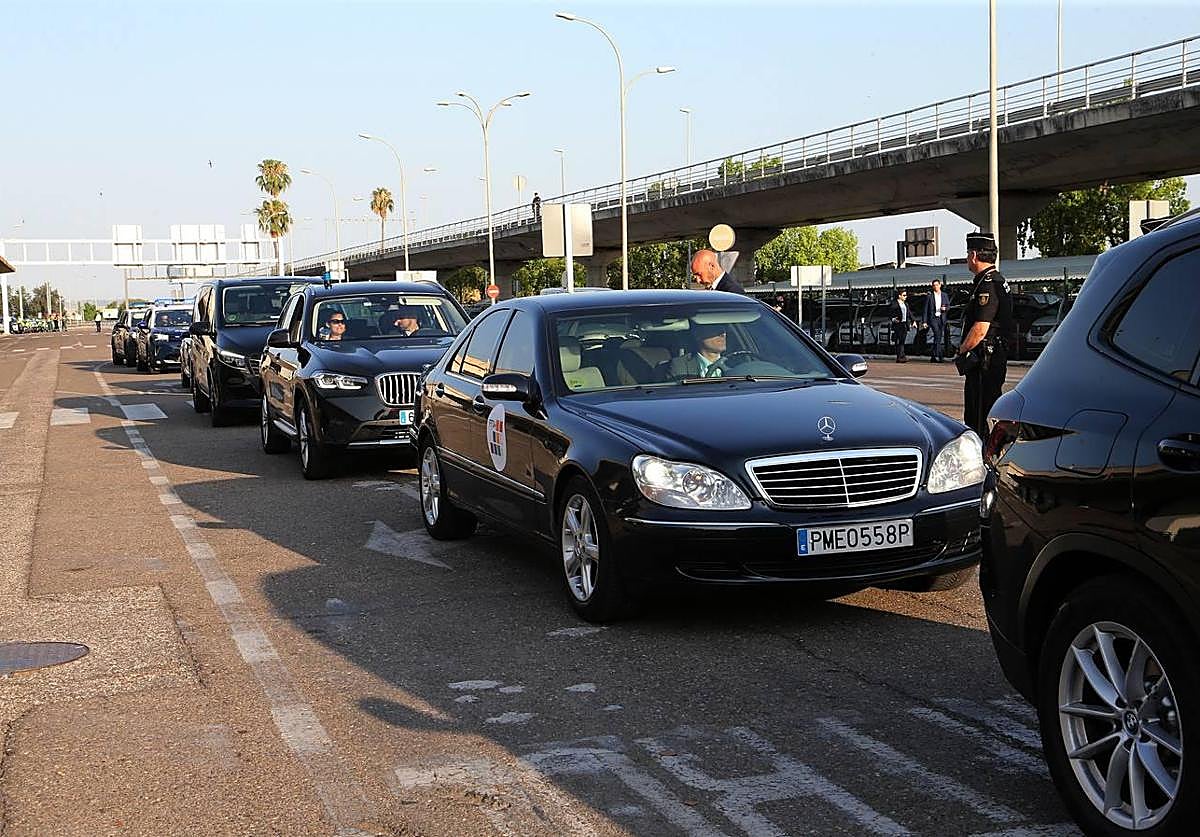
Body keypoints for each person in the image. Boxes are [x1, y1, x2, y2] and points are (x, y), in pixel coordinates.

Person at [956, 231, 1014, 438]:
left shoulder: (987, 284)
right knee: (987, 409)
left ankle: (984, 459)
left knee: (977, 414)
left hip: (984, 360)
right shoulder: (993, 280)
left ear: (973, 255)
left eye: (967, 254)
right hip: (991, 357)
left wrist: (961, 349)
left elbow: (980, 328)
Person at [922, 279, 950, 363]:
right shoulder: (929, 296)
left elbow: (949, 306)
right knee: (937, 334)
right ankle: (939, 356)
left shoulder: (944, 295)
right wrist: (924, 321)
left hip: (942, 318)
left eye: (937, 285)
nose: (935, 287)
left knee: (938, 337)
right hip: (933, 318)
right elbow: (925, 310)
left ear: (940, 285)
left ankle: (933, 356)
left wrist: (945, 309)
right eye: (933, 285)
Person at [889, 290, 914, 363]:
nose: (905, 297)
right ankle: (900, 356)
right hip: (898, 324)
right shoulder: (894, 304)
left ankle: (901, 356)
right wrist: (893, 319)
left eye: (906, 295)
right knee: (899, 340)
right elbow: (890, 313)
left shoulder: (906, 304)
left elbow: (909, 313)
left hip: (904, 323)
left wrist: (913, 321)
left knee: (902, 340)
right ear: (899, 296)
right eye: (904, 295)